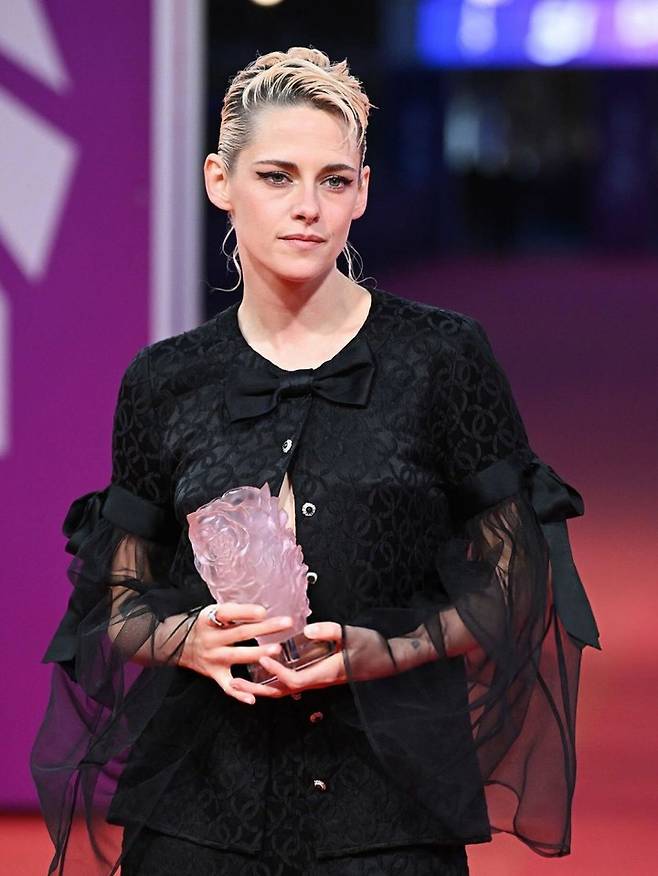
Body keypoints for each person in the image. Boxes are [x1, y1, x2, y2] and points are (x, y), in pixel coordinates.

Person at [31, 47, 601, 876]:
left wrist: (387, 650)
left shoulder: (442, 358)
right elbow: (115, 601)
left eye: (333, 180)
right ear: (220, 181)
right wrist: (188, 641)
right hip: (196, 815)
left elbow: (518, 580)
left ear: (362, 192)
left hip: (389, 815)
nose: (308, 208)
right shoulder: (164, 380)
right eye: (276, 177)